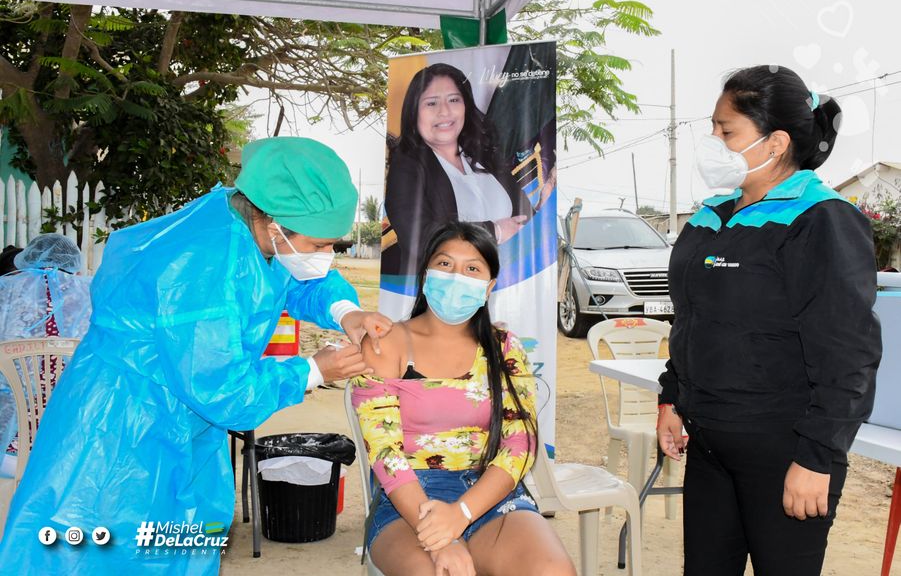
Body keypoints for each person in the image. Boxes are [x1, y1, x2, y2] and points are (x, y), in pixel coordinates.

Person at [0, 137, 392, 574]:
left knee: (181, 544)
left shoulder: (249, 220)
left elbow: (293, 276)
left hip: (186, 416)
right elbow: (226, 391)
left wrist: (347, 311)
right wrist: (314, 370)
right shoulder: (203, 267)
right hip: (122, 424)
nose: (326, 256)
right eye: (320, 245)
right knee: (103, 549)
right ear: (275, 223)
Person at [656, 65, 881, 576]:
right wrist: (673, 396)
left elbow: (849, 353)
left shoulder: (819, 218)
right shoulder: (712, 215)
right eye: (713, 128)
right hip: (710, 440)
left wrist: (817, 456)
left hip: (785, 447)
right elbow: (692, 318)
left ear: (775, 143)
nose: (713, 141)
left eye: (726, 130)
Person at [352, 221, 575, 576]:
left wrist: (462, 513)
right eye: (445, 264)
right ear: (426, 275)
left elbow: (521, 442)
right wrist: (440, 537)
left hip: (489, 493)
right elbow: (384, 452)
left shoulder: (504, 348)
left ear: (489, 287)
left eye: (472, 268)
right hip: (409, 500)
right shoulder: (385, 343)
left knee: (552, 570)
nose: (456, 277)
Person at [383, 63, 534, 277]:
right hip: (443, 288)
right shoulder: (406, 164)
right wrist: (495, 231)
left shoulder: (485, 157)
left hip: (511, 283)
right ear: (414, 111)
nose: (444, 111)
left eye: (454, 100)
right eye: (431, 103)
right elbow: (418, 238)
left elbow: (526, 216)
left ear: (466, 106)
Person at [0, 234, 92, 477]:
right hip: (72, 452)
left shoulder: (6, 290)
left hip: (8, 454)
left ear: (27, 260)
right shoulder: (90, 294)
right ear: (74, 264)